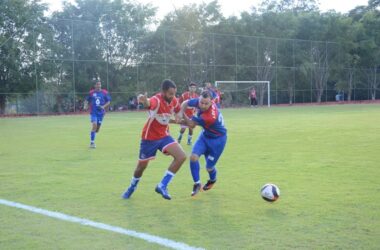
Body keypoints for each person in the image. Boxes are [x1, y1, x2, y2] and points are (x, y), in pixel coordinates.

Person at [122, 79, 187, 200]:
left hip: (164, 136)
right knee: (141, 167)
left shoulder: (173, 100)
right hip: (149, 139)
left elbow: (179, 109)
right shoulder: (156, 100)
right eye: (170, 94)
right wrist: (144, 100)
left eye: (174, 94)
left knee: (181, 156)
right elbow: (148, 103)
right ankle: (132, 187)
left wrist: (180, 115)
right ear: (163, 91)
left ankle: (162, 185)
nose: (173, 96)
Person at [178, 90, 227, 197]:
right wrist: (180, 112)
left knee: (209, 167)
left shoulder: (210, 116)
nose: (203, 105)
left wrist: (182, 116)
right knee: (193, 157)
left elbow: (191, 125)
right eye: (201, 102)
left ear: (211, 102)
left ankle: (212, 180)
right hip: (205, 136)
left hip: (218, 141)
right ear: (199, 99)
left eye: (206, 104)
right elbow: (185, 103)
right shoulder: (199, 101)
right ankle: (197, 184)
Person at [84, 80, 111, 148]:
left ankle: (93, 133)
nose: (99, 86)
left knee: (97, 129)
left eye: (100, 84)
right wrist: (85, 105)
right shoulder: (91, 93)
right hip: (93, 112)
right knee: (94, 125)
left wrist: (103, 107)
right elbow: (86, 100)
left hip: (101, 113)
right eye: (97, 84)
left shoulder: (104, 92)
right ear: (95, 85)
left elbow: (108, 102)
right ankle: (92, 143)